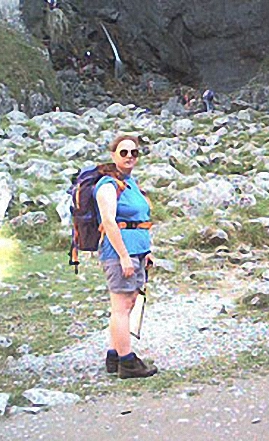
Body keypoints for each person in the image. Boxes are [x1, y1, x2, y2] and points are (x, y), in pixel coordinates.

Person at [94, 134, 158, 379]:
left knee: (129, 302)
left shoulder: (129, 183)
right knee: (121, 306)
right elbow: (109, 222)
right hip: (119, 252)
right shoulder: (108, 185)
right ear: (113, 155)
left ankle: (114, 354)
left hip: (136, 251)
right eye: (124, 152)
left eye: (134, 152)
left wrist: (145, 252)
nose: (129, 156)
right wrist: (123, 256)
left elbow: (137, 220)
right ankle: (127, 362)